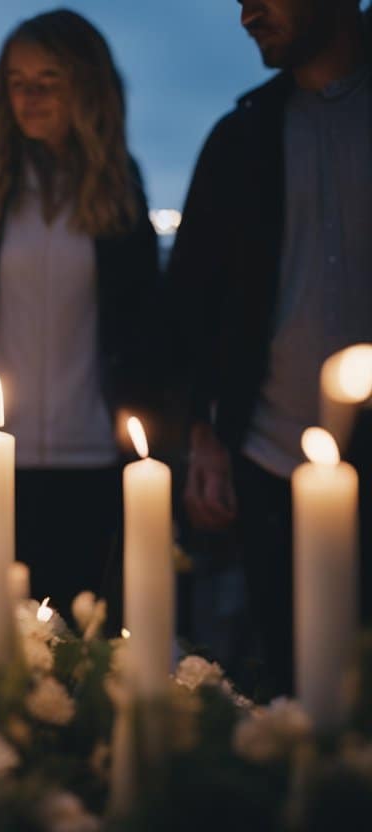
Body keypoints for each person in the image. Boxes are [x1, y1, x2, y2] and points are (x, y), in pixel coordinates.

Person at [0, 10, 161, 613]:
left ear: (86, 86)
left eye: (47, 80)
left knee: (80, 635)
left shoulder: (120, 187)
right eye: (16, 81)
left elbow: (143, 325)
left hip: (91, 452)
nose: (28, 97)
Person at [172, 0, 370, 696]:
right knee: (296, 697)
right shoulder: (243, 137)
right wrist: (205, 436)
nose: (247, 14)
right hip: (274, 469)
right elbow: (191, 304)